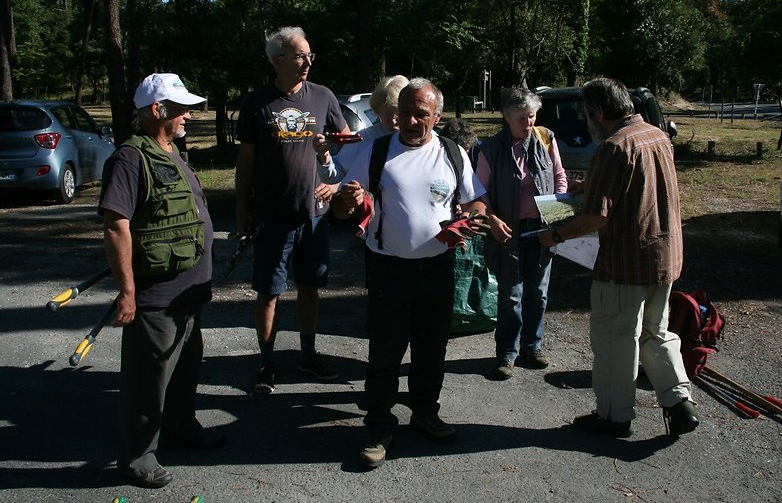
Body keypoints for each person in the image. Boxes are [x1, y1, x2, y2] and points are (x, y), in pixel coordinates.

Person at [332, 78, 494, 469]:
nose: (410, 121)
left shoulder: (452, 153)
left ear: (437, 116)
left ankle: (424, 413)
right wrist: (347, 201)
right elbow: (341, 210)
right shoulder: (376, 152)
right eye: (404, 112)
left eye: (420, 114)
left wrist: (471, 220)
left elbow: (476, 202)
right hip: (388, 268)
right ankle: (378, 427)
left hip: (437, 268)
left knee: (431, 348)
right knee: (385, 351)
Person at [537, 77, 698, 438]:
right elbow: (637, 185)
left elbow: (596, 218)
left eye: (586, 115)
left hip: (625, 263)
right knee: (656, 332)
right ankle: (680, 403)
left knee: (615, 339)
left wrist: (555, 235)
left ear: (597, 112)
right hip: (664, 256)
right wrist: (588, 186)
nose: (586, 123)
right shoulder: (655, 135)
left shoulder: (614, 146)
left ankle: (614, 416)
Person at [100, 73, 223, 489]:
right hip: (157, 296)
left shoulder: (170, 153)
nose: (188, 115)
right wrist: (127, 291)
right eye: (181, 108)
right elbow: (116, 224)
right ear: (157, 110)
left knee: (184, 371)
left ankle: (181, 429)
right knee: (148, 381)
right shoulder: (130, 159)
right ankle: (137, 457)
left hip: (188, 292)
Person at [235, 26, 351, 395]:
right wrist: (241, 208)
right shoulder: (257, 102)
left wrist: (335, 181)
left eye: (309, 55)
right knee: (269, 292)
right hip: (272, 216)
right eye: (299, 56)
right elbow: (246, 160)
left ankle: (308, 354)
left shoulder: (323, 96)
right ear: (277, 60)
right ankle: (266, 361)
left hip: (314, 215)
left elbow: (347, 143)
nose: (307, 62)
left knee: (310, 288)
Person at [477, 87, 568, 379]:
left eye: (531, 116)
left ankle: (532, 346)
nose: (528, 123)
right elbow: (479, 193)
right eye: (521, 118)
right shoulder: (490, 149)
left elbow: (559, 177)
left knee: (538, 293)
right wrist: (492, 219)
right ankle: (506, 353)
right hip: (508, 232)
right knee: (511, 297)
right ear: (506, 117)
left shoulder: (546, 138)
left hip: (541, 228)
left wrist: (558, 217)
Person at [318, 75, 409, 183]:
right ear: (377, 110)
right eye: (387, 114)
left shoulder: (422, 140)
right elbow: (334, 174)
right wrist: (324, 155)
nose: (393, 120)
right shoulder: (364, 138)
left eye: (398, 113)